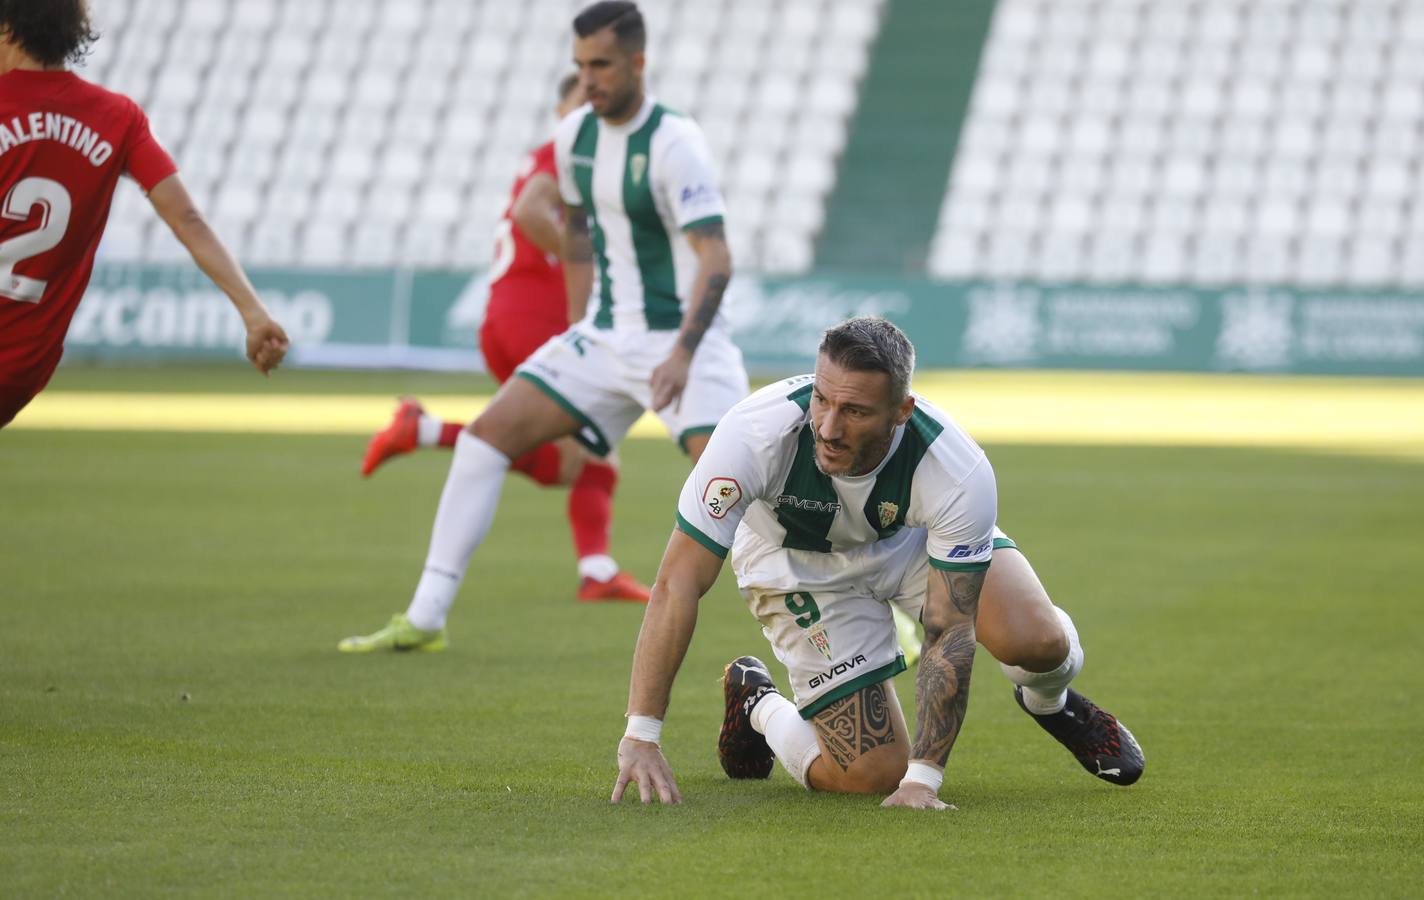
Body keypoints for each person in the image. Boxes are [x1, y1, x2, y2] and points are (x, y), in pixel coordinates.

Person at [337, 1, 747, 652]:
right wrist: (580, 324)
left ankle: (873, 607)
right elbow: (579, 232)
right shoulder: (575, 136)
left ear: (638, 63)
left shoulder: (676, 142)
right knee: (484, 440)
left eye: (603, 65)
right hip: (605, 337)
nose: (589, 79)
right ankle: (426, 617)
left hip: (682, 345)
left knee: (746, 487)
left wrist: (681, 354)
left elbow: (716, 257)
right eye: (580, 66)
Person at [611, 317, 1144, 808]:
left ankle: (1049, 703)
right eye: (822, 400)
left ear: (902, 411)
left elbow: (949, 630)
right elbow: (677, 581)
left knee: (1040, 642)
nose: (828, 427)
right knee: (870, 774)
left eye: (857, 412)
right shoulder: (753, 433)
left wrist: (925, 779)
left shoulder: (954, 469)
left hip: (909, 541)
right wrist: (642, 734)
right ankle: (759, 703)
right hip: (797, 565)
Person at [353, 74, 650, 610]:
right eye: (579, 100)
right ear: (560, 107)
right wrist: (590, 266)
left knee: (590, 456)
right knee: (573, 458)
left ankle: (596, 569)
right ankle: (424, 430)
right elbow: (529, 214)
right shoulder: (566, 156)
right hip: (538, 316)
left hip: (510, 318)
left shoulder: (567, 160)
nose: (591, 109)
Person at [0, 0, 288, 429]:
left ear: (8, 29)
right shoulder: (117, 119)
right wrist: (253, 312)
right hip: (23, 368)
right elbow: (187, 219)